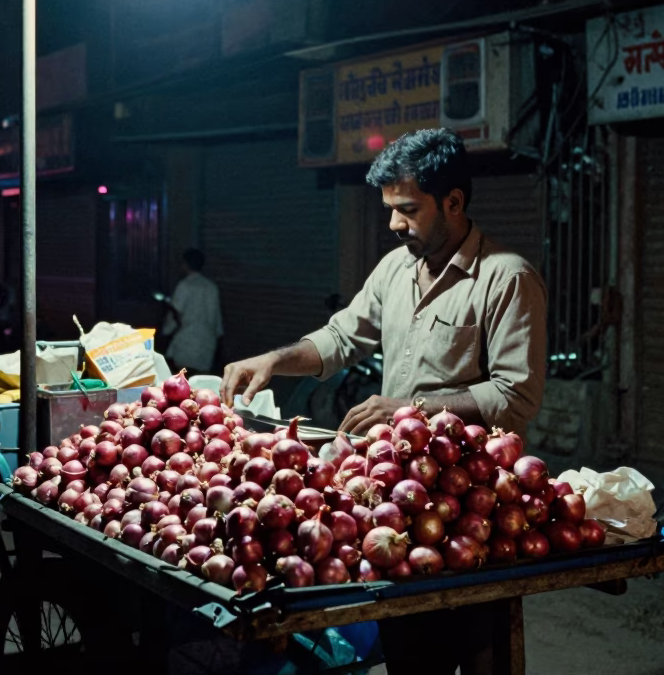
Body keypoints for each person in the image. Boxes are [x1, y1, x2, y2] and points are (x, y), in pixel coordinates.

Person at [218, 128, 547, 675]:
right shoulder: (395, 270)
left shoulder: (506, 278)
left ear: (454, 202)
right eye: (390, 210)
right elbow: (341, 337)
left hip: (474, 507)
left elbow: (515, 397)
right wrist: (274, 359)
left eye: (408, 210)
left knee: (479, 647)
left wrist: (406, 409)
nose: (394, 224)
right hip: (396, 501)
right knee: (410, 650)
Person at [160, 249, 224, 374]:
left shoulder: (184, 285)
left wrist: (165, 332)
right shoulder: (211, 287)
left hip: (187, 341)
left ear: (185, 264)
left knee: (184, 381)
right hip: (207, 343)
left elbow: (176, 313)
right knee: (201, 382)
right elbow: (217, 319)